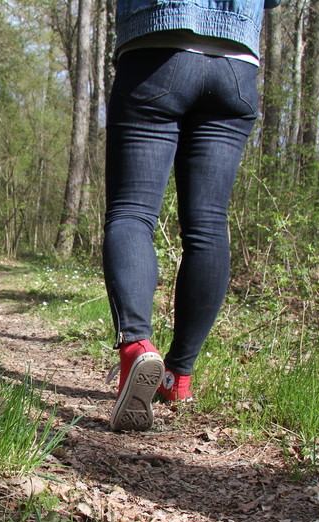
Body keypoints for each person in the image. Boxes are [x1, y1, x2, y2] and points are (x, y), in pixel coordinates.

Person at [105, 0, 282, 432]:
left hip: (156, 47)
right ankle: (177, 377)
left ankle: (136, 347)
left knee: (132, 212)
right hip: (236, 63)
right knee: (207, 227)